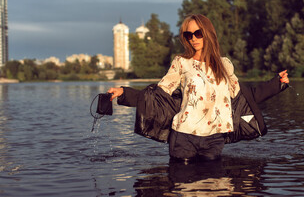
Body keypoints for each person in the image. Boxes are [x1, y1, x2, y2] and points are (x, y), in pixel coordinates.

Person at [107, 14, 289, 162]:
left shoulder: (224, 65)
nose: (193, 39)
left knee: (215, 187)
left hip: (215, 138)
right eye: (188, 35)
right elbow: (157, 97)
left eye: (198, 33)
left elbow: (245, 96)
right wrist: (124, 93)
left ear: (208, 33)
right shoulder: (181, 63)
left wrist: (278, 84)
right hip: (183, 137)